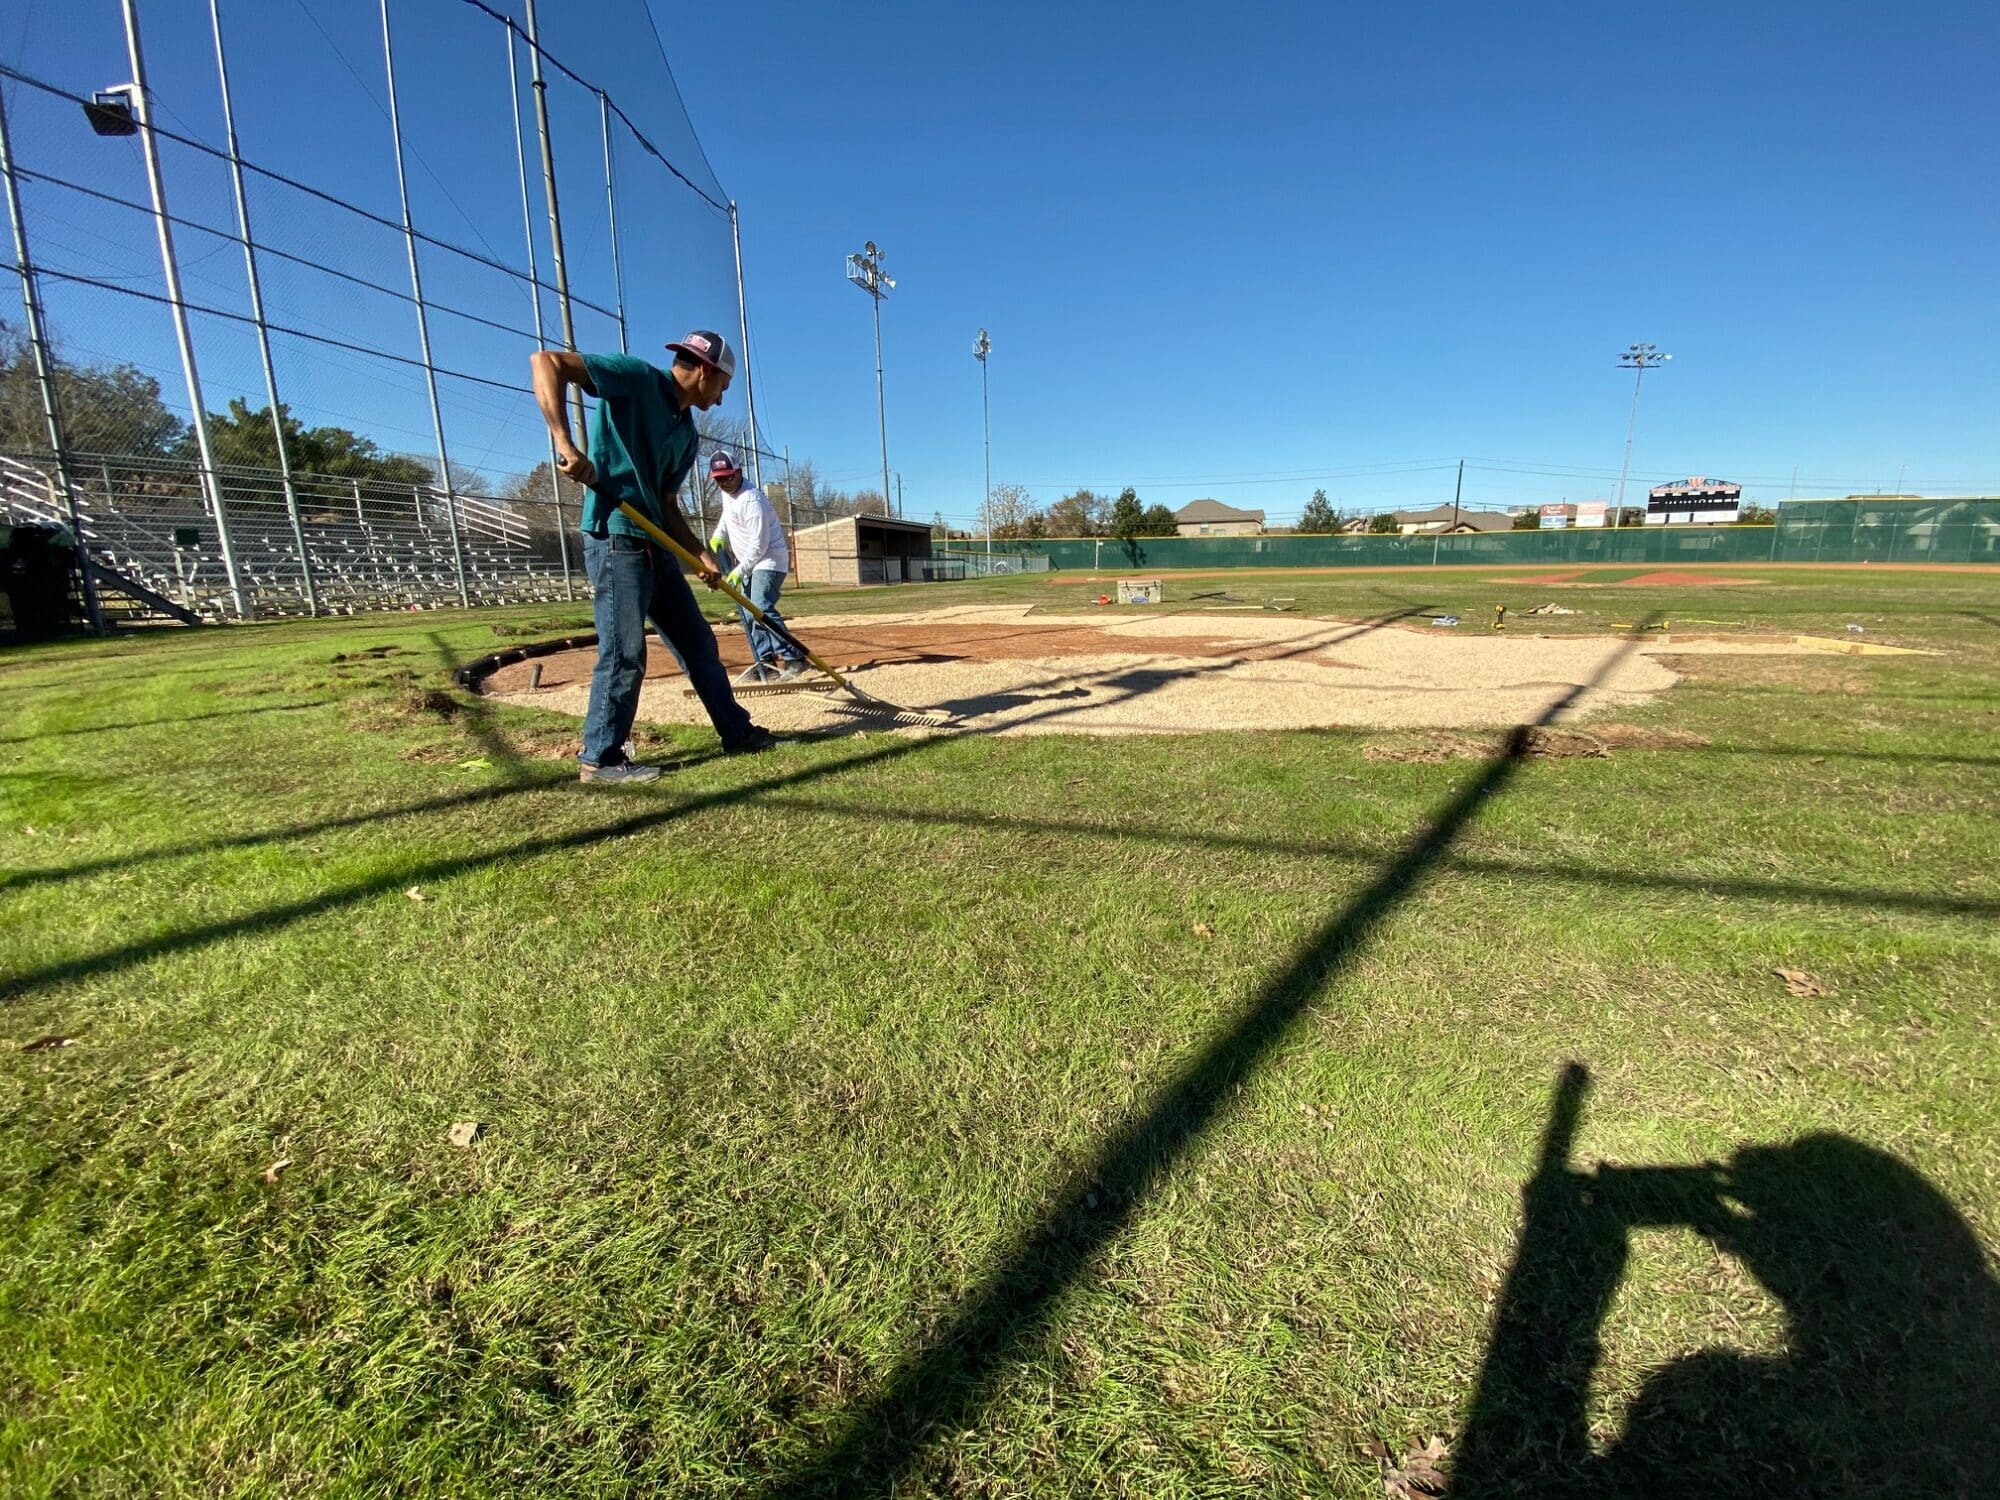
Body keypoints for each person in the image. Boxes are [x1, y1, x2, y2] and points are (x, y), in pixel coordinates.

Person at [529, 329, 775, 785]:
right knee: (626, 651)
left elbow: (665, 504)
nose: (721, 399)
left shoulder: (686, 434)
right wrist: (565, 444)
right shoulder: (638, 378)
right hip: (617, 539)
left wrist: (700, 553)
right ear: (705, 370)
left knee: (699, 644)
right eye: (723, 386)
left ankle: (736, 733)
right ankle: (600, 759)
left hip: (656, 547)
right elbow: (547, 362)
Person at [704, 450, 808, 682]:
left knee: (760, 607)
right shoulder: (727, 494)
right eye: (718, 479)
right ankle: (766, 664)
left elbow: (759, 545)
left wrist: (739, 571)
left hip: (769, 560)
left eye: (728, 477)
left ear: (738, 472)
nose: (723, 482)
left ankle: (794, 658)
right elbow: (726, 516)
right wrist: (719, 534)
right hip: (749, 563)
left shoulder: (752, 499)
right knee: (750, 613)